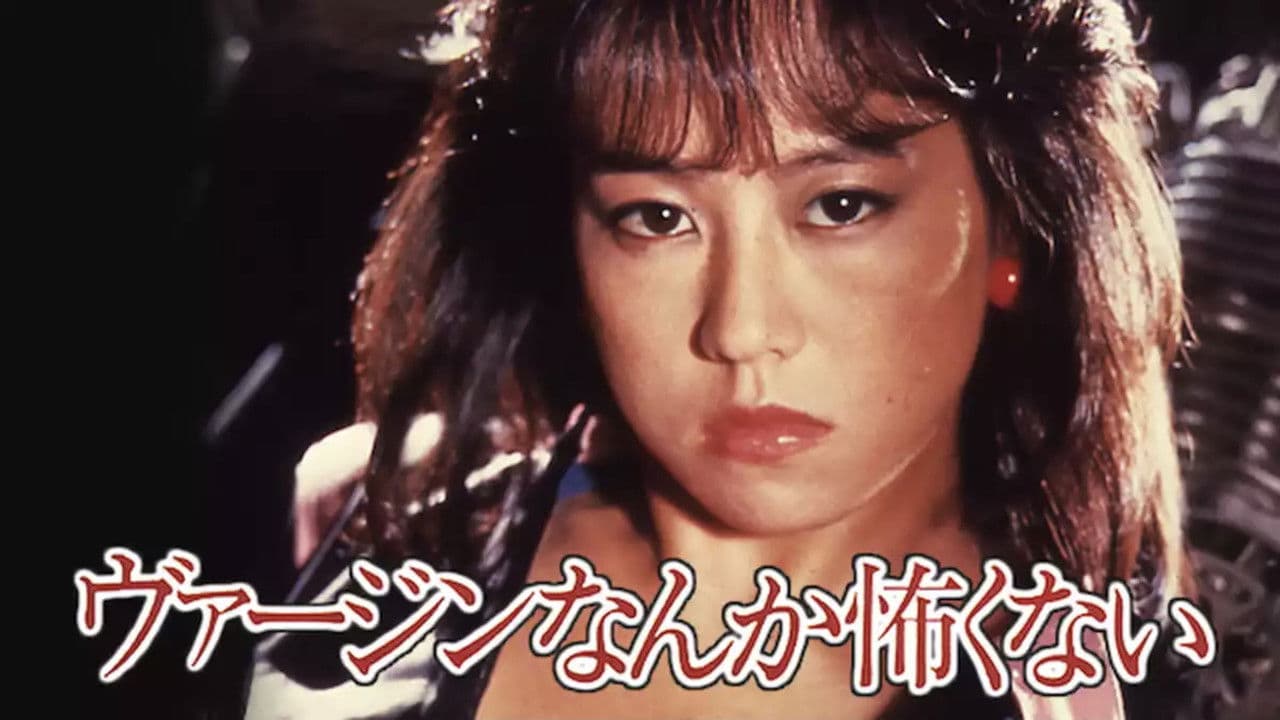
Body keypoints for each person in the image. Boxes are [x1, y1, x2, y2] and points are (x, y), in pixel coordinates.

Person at [245, 1, 1201, 718]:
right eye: (657, 218)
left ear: (1014, 228)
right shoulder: (403, 559)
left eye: (840, 206)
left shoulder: (1094, 683)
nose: (740, 331)